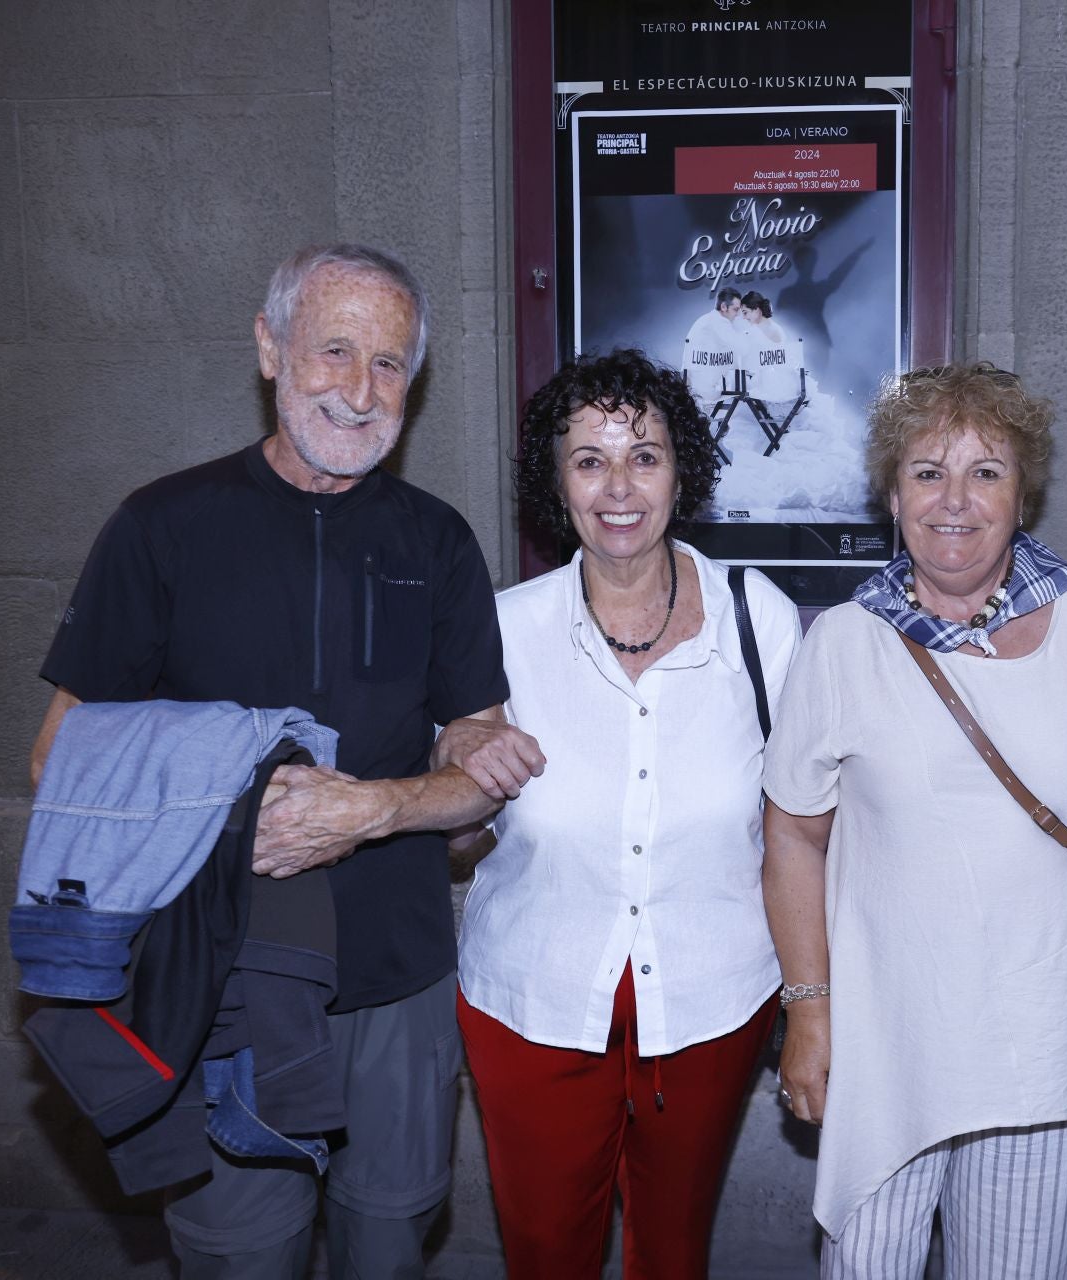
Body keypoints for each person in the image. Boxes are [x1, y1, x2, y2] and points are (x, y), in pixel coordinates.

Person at [30, 243, 541, 1279]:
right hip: (216, 979)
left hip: (396, 986)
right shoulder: (160, 526)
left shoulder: (438, 542)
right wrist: (229, 812)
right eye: (335, 349)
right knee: (239, 1253)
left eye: (390, 363)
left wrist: (371, 808)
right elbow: (60, 759)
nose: (360, 390)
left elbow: (478, 773)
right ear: (270, 349)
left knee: (391, 1238)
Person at [761, 363, 1067, 1278]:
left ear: (1025, 496)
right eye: (927, 471)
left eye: (987, 471)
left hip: (1045, 1043)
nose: (955, 499)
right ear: (891, 495)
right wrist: (810, 1016)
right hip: (886, 1042)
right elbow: (792, 835)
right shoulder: (847, 642)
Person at [440, 349, 801, 1279]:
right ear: (554, 482)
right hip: (535, 997)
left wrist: (814, 999)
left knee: (672, 1249)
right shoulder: (501, 628)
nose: (618, 486)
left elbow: (801, 830)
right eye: (589, 459)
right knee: (546, 1249)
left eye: (644, 455)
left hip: (713, 1000)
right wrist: (453, 772)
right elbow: (457, 832)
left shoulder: (758, 621)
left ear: (682, 470)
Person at [683, 288, 744, 396]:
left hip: (694, 383)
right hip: (703, 388)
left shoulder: (708, 318)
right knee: (750, 384)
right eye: (735, 309)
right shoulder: (719, 321)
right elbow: (740, 346)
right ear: (724, 307)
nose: (738, 314)